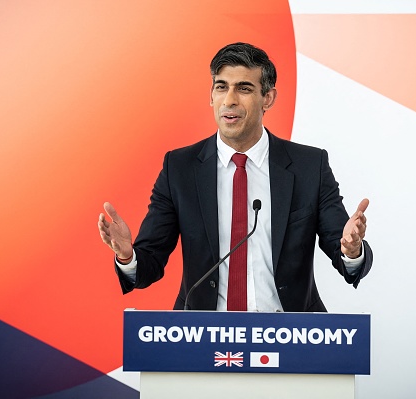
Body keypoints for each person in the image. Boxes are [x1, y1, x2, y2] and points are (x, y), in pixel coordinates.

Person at [98, 42, 372, 312]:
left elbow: (344, 252)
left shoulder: (309, 166)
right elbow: (149, 265)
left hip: (291, 335)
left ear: (268, 98)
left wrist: (351, 250)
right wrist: (127, 255)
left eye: (244, 88)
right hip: (203, 334)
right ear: (211, 95)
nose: (229, 100)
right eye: (221, 87)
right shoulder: (179, 168)